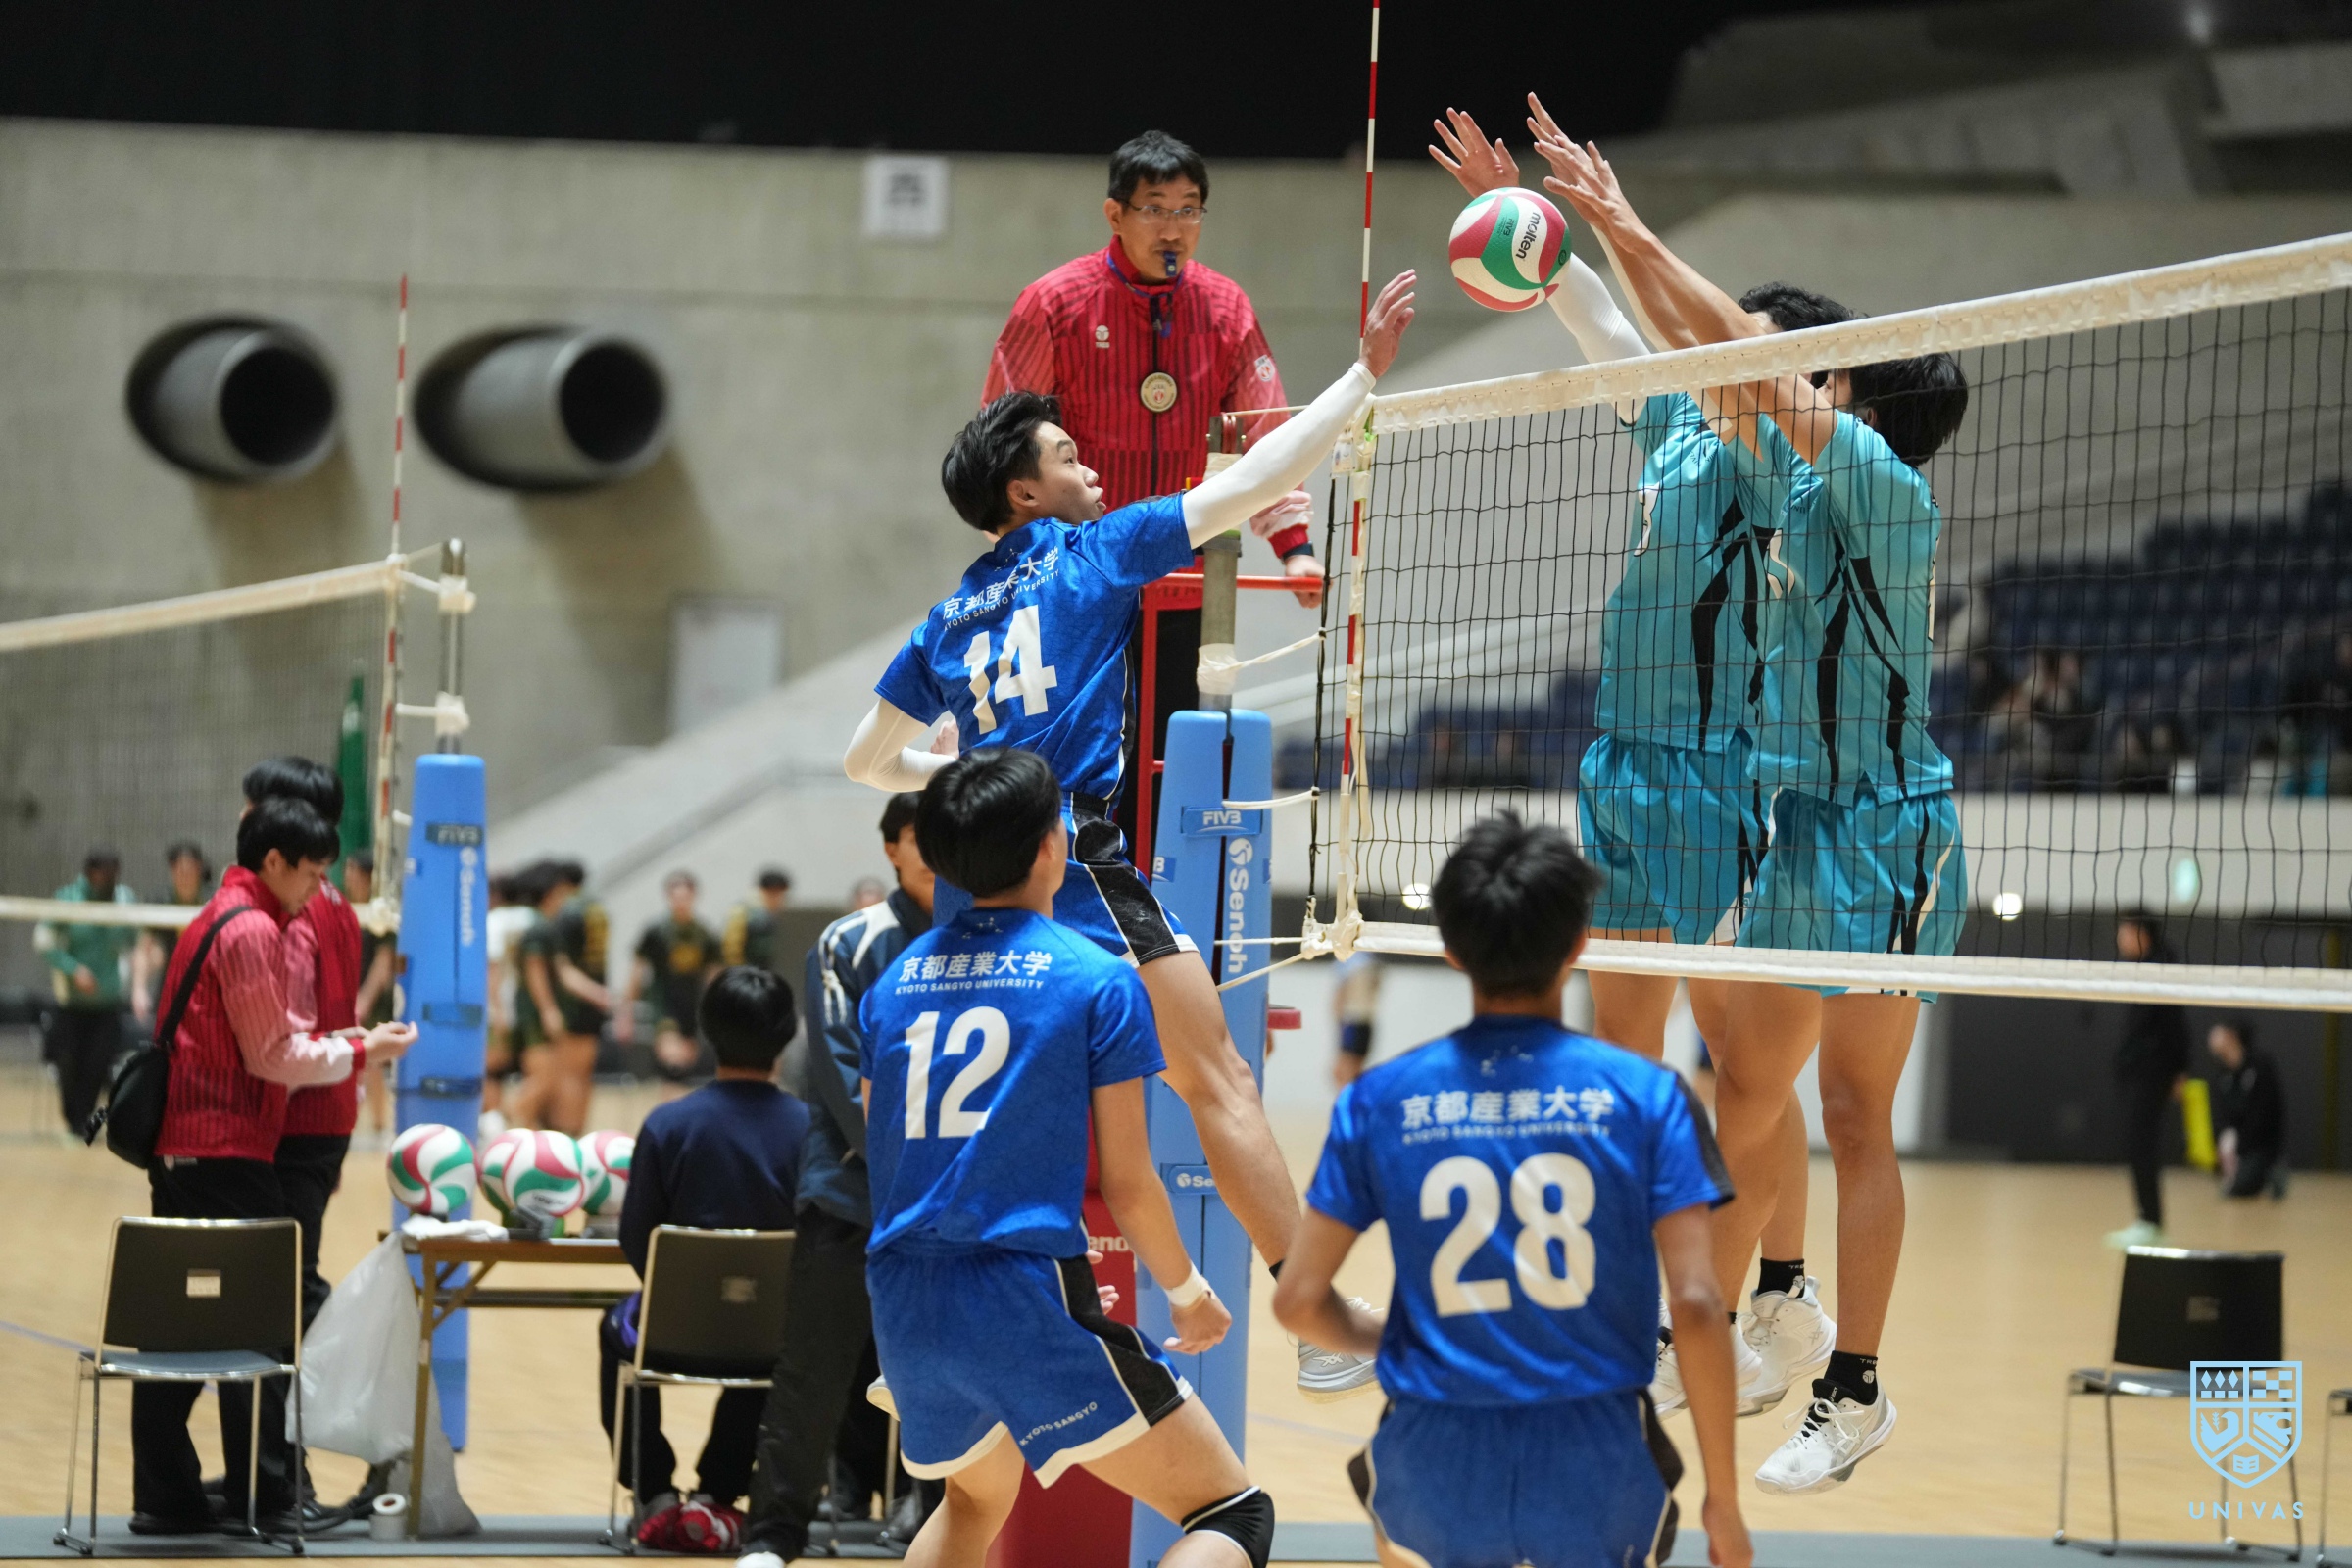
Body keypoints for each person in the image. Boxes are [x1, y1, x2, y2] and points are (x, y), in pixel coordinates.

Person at [842, 267, 1419, 1402]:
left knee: (987, 1116)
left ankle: (910, 1347)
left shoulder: (944, 620)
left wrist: (960, 772)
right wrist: (1362, 375)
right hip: (1072, 861)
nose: (1092, 467)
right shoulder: (1094, 553)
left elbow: (865, 762)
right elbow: (1254, 479)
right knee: (1219, 1079)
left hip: (972, 891)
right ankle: (1312, 1317)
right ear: (1024, 491)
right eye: (1069, 456)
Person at [1538, 117, 1970, 1491]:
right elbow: (1700, 357)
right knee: (1745, 1084)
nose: (1793, 385)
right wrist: (1597, 237)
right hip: (1800, 823)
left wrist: (1624, 220)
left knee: (1856, 1114)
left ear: (1862, 405)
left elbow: (1736, 350)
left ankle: (1855, 1389)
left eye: (1824, 375)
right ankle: (1716, 1330)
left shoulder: (1882, 488)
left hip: (1891, 832)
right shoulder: (1788, 469)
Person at [1431, 106, 1826, 1420]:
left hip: (1723, 776)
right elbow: (1604, 325)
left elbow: (1680, 332)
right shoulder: (1673, 426)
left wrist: (1616, 224)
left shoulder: (1784, 457)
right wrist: (1536, 232)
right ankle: (1646, 1311)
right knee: (1625, 1058)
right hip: (1624, 768)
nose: (1710, 340)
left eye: (1740, 337)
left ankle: (1770, 1292)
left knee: (1746, 1068)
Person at [1273, 812, 1750, 1568]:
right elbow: (1694, 1303)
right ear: (1579, 945)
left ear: (1453, 951)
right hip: (1597, 1457)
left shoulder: (1379, 1101)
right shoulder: (1651, 1098)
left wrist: (1391, 1343)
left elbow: (1298, 1302)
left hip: (1433, 1450)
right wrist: (1723, 1498)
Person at [853, 749, 1270, 1568]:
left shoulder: (891, 986)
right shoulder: (1096, 979)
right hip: (1019, 1293)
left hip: (903, 1298)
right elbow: (1129, 1183)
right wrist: (1187, 1294)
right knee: (1233, 1512)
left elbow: (885, 1160)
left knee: (973, 1502)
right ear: (1053, 847)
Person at [983, 128, 1327, 837]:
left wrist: (1293, 544)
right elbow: (1004, 437)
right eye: (1156, 209)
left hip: (1184, 566)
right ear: (1116, 214)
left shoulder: (1226, 310)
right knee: (1073, 747)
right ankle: (1065, 881)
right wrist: (1013, 552)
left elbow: (1265, 435)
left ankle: (1149, 888)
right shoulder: (1053, 303)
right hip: (1076, 569)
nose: (1174, 228)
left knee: (1170, 749)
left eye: (1189, 209)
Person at [132, 796, 416, 1537]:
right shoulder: (252, 928)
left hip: (196, 1151)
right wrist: (365, 1051)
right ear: (274, 861)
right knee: (258, 1325)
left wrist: (352, 1040)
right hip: (224, 1151)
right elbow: (273, 1054)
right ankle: (260, 1495)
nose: (320, 889)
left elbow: (272, 1035)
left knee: (185, 1325)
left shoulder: (221, 914)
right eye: (312, 874)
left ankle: (169, 1494)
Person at [739, 795, 934, 1567]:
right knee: (813, 1374)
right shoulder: (849, 943)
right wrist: (910, 1172)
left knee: (951, 1375)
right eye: (919, 836)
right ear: (891, 848)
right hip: (852, 1196)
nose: (935, 850)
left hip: (950, 1206)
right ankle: (772, 1536)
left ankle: (942, 1522)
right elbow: (842, 1072)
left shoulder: (989, 939)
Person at [602, 965, 810, 1555]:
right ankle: (721, 1490)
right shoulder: (810, 1129)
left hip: (671, 1329)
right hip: (773, 1332)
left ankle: (653, 1492)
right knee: (772, 1325)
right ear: (786, 1034)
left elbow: (638, 1239)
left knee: (616, 1330)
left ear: (707, 1032)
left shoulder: (667, 1124)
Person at [35, 847, 148, 1135]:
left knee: (98, 1066)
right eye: (102, 873)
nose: (108, 879)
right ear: (90, 873)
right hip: (70, 1003)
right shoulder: (67, 898)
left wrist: (139, 986)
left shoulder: (124, 900)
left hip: (108, 1003)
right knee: (68, 1064)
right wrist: (73, 970)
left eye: (113, 874)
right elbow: (44, 941)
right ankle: (72, 1120)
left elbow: (137, 943)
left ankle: (83, 1122)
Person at [2107, 913, 2191, 1246]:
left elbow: (2175, 1025)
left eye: (2124, 932)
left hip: (2154, 1073)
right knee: (2138, 1144)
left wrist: (2179, 1071)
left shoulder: (2161, 968)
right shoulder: (2146, 968)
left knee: (2141, 1144)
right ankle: (2148, 1219)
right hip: (2143, 1072)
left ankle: (2150, 1221)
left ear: (2141, 933)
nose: (2120, 939)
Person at [514, 860, 608, 1134]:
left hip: (548, 1016)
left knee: (551, 1079)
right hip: (535, 1017)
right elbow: (535, 971)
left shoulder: (549, 928)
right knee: (542, 1079)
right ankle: (504, 1126)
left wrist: (598, 994)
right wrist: (548, 1010)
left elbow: (565, 972)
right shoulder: (538, 930)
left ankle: (525, 1131)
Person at [619, 871, 723, 1091]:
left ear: (694, 896)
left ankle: (676, 1107)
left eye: (685, 897)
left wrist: (718, 1010)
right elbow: (637, 972)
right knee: (673, 1061)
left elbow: (713, 976)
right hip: (664, 1005)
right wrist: (626, 1012)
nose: (681, 902)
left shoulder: (704, 934)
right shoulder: (656, 932)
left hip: (692, 1007)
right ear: (668, 897)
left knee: (686, 1065)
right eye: (676, 897)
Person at [480, 869, 536, 1141]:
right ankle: (517, 1123)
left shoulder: (494, 922)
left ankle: (496, 1124)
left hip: (499, 1007)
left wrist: (497, 1010)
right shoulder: (531, 918)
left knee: (493, 1071)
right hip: (526, 1007)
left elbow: (493, 969)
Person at [2207, 1019, 2287, 1200]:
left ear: (2233, 1037)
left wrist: (2240, 1145)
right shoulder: (2223, 1075)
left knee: (2243, 1185)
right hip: (2234, 1144)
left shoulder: (2261, 1067)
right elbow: (2220, 1114)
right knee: (2228, 1183)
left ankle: (2272, 1170)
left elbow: (2265, 1114)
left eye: (2225, 1034)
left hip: (2259, 1145)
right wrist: (2223, 1142)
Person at [347, 854, 396, 1141]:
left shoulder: (380, 913)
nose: (349, 876)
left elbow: (383, 961)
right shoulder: (345, 909)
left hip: (371, 999)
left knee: (372, 1060)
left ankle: (379, 1125)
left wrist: (364, 998)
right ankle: (358, 1124)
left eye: (354, 871)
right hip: (348, 994)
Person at [722, 868, 794, 976]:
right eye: (772, 893)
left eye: (780, 893)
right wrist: (738, 972)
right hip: (750, 969)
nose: (777, 898)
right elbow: (732, 947)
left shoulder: (786, 914)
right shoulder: (744, 913)